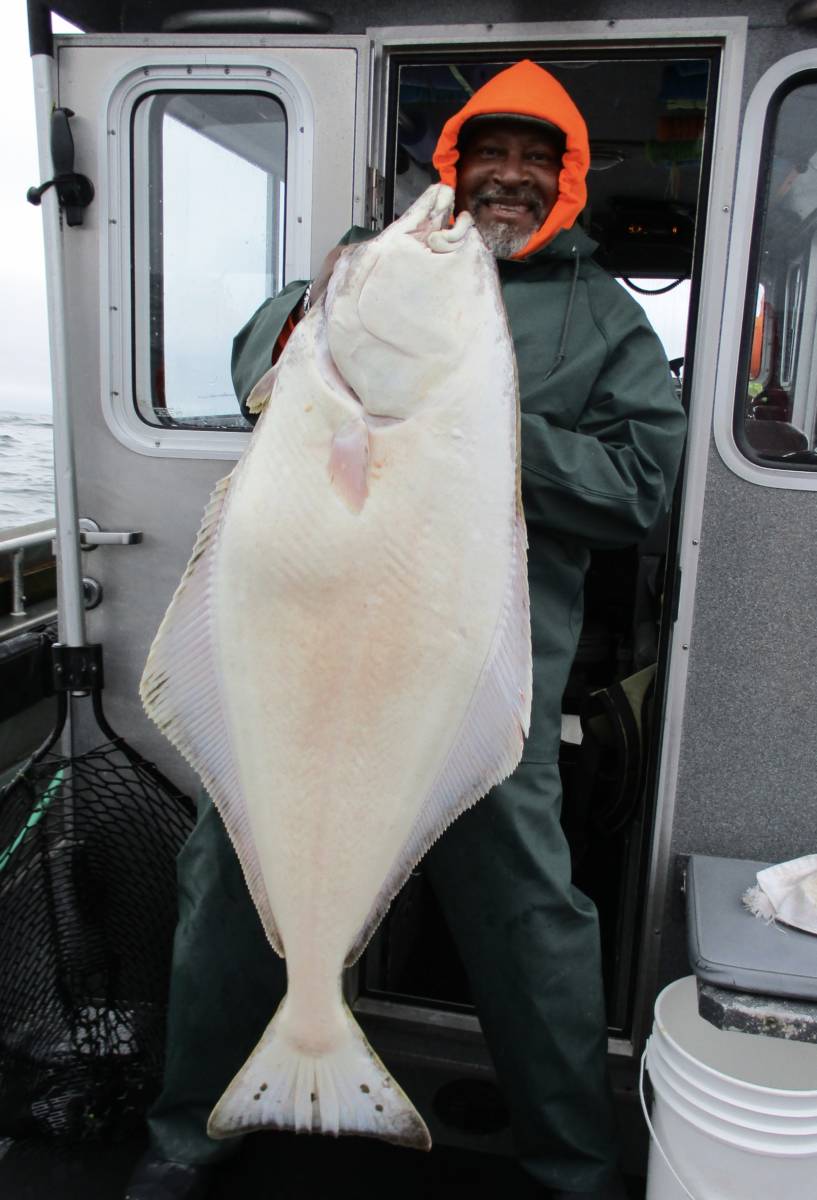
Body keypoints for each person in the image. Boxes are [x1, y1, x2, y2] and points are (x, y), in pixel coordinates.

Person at [125, 60, 686, 1200]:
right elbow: (257, 370)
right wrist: (318, 307)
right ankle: (188, 1135)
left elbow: (640, 486)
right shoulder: (366, 265)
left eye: (539, 158)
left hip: (474, 677)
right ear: (455, 162)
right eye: (491, 154)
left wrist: (475, 423)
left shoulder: (604, 316)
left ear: (568, 180)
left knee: (532, 922)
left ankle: (574, 1168)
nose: (509, 178)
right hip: (290, 668)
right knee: (226, 895)